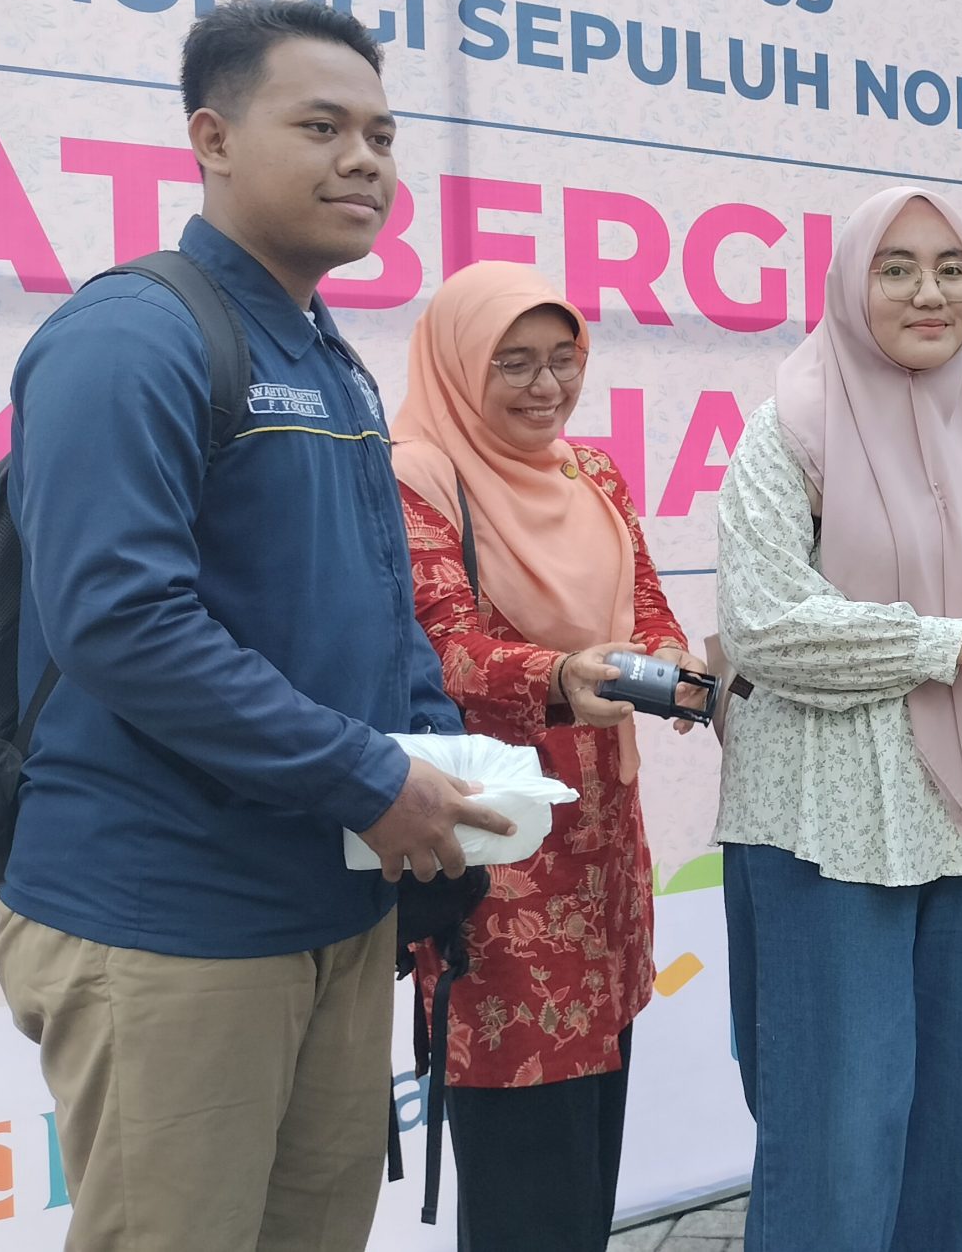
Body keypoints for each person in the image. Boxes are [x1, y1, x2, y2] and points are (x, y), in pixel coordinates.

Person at [0, 0, 512, 1251]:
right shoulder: (131, 336)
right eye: (321, 127)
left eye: (381, 135)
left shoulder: (327, 353)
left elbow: (378, 602)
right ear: (212, 139)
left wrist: (435, 756)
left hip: (329, 901)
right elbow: (124, 623)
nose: (364, 161)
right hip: (169, 913)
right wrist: (367, 775)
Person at [713, 185, 962, 1250]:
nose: (928, 292)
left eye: (953, 268)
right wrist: (959, 643)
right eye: (895, 268)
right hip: (826, 813)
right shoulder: (788, 428)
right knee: (840, 1127)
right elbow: (765, 625)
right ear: (852, 284)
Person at [388, 262, 701, 1249]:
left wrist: (669, 664)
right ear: (456, 366)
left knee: (589, 1141)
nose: (546, 386)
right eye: (512, 363)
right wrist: (561, 673)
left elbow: (644, 605)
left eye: (563, 359)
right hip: (497, 853)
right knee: (524, 1159)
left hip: (605, 850)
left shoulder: (589, 472)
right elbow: (437, 645)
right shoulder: (411, 477)